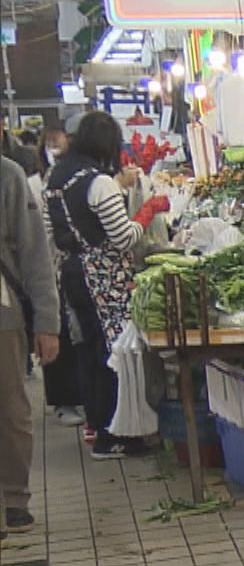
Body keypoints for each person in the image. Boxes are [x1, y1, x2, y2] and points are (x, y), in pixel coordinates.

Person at [41, 111, 148, 459]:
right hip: (103, 277)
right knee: (114, 354)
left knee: (89, 351)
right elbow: (121, 237)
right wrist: (144, 217)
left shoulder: (54, 179)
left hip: (72, 274)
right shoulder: (98, 181)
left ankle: (98, 427)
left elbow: (50, 234)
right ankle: (113, 434)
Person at [2, 154, 61, 536]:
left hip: (2, 314)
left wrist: (46, 322)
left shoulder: (8, 175)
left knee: (9, 407)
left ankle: (13, 497)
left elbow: (34, 253)